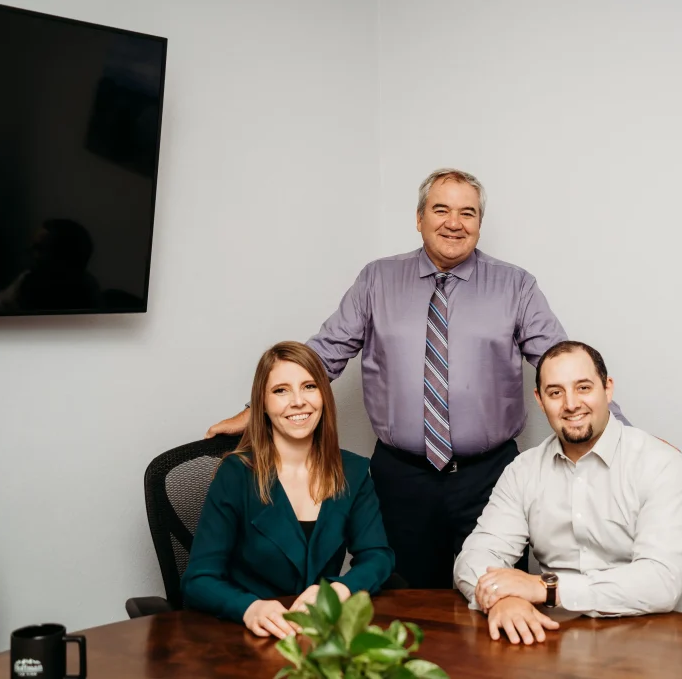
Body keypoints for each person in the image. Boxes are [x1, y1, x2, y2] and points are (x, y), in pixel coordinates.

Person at [206, 168, 628, 589]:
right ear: (419, 217)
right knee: (400, 598)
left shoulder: (516, 286)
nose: (454, 222)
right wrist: (256, 410)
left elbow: (564, 364)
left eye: (468, 213)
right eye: (441, 209)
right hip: (400, 477)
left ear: (480, 223)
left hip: (490, 478)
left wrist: (623, 434)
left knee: (496, 596)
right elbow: (325, 352)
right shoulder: (377, 280)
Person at [453, 341, 682, 645]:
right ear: (540, 400)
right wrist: (501, 599)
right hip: (561, 641)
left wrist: (547, 589)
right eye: (555, 392)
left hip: (661, 642)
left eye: (583, 388)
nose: (571, 404)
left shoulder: (661, 465)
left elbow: (660, 583)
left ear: (607, 389)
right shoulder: (524, 470)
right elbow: (475, 556)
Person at [182, 341, 394, 639]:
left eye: (309, 386)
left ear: (323, 395)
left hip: (321, 633)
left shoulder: (354, 471)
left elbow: (377, 556)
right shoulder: (236, 474)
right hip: (250, 634)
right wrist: (248, 608)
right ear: (262, 404)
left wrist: (340, 589)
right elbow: (198, 579)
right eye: (281, 390)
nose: (298, 401)